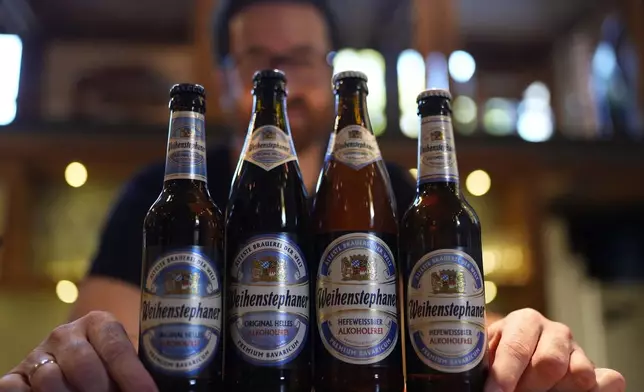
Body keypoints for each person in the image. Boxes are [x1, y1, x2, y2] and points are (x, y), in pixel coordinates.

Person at [0, 1, 626, 391]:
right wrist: (80, 353)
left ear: (329, 73)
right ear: (224, 78)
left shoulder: (398, 191)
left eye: (299, 60)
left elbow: (451, 328)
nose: (283, 83)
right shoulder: (161, 193)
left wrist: (523, 346)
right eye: (256, 61)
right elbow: (116, 334)